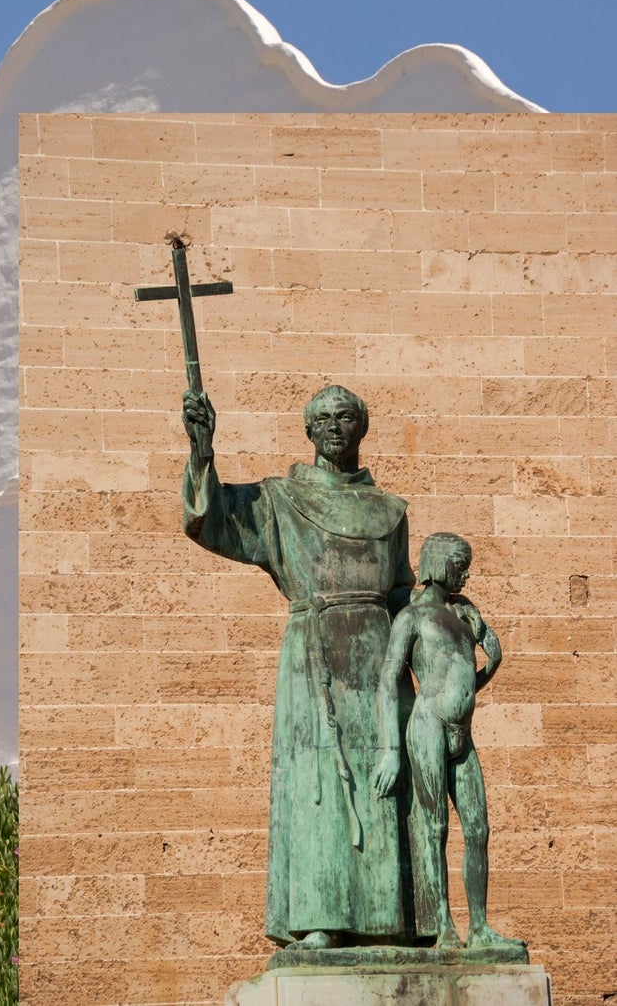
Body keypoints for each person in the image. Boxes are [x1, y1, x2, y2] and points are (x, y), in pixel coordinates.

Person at [182, 384, 414, 948]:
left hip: (380, 658)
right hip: (313, 655)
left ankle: (395, 921)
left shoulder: (392, 510)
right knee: (317, 786)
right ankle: (321, 919)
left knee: (386, 785)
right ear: (309, 432)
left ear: (362, 427)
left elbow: (404, 593)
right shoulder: (280, 500)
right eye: (324, 419)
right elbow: (211, 521)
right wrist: (202, 452)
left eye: (346, 418)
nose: (335, 427)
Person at [375, 533, 524, 953]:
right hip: (428, 726)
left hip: (463, 732)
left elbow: (483, 665)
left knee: (478, 827)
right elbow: (389, 679)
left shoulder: (466, 612)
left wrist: (485, 667)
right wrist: (390, 749)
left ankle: (479, 926)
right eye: (460, 564)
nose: (466, 572)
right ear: (440, 564)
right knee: (436, 826)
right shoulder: (412, 617)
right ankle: (443, 925)